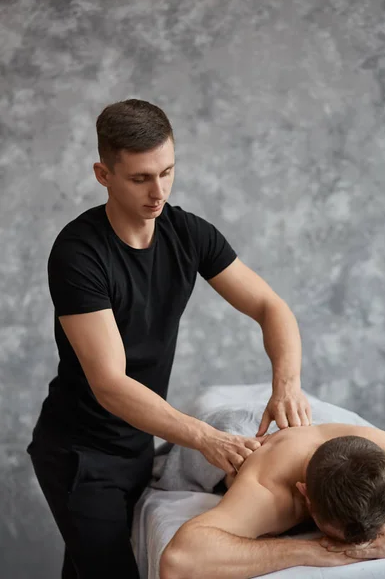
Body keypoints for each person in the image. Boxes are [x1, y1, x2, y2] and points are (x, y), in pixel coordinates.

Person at [27, 99, 312, 579]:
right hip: (80, 455)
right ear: (103, 174)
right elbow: (110, 382)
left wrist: (286, 383)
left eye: (167, 171)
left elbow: (271, 307)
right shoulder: (79, 254)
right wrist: (205, 438)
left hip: (137, 443)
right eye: (140, 178)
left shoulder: (188, 232)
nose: (158, 191)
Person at [160, 423, 385, 579]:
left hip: (314, 422)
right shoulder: (267, 492)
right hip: (234, 428)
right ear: (304, 494)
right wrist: (311, 551)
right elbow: (179, 561)